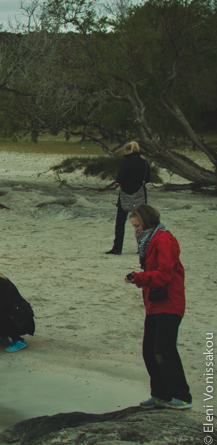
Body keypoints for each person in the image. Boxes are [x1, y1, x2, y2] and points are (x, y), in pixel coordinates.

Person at [124, 204, 192, 410]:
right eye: (134, 227)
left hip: (170, 302)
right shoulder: (150, 240)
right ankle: (160, 393)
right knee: (149, 350)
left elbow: (165, 274)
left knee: (164, 349)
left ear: (146, 222)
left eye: (137, 226)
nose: (135, 231)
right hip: (155, 302)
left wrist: (138, 277)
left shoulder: (164, 240)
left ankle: (182, 396)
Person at [106, 141, 151, 255]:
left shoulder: (126, 162)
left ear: (128, 150)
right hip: (140, 195)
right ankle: (142, 247)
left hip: (125, 195)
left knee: (120, 222)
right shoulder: (144, 163)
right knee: (141, 222)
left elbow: (120, 178)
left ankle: (117, 248)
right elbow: (148, 179)